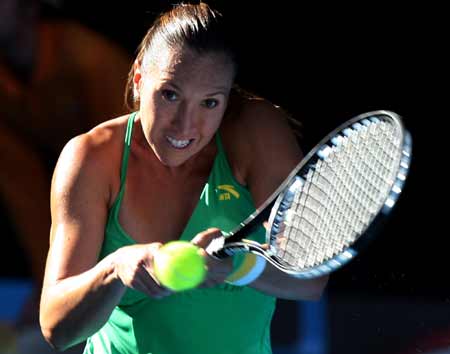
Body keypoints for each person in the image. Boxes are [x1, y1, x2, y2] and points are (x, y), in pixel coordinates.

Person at [39, 3, 329, 354]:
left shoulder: (257, 133)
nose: (185, 125)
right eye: (170, 94)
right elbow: (56, 327)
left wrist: (238, 263)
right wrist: (116, 269)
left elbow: (312, 280)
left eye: (209, 103)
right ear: (139, 79)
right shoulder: (92, 158)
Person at [1, 0, 131, 352]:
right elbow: (22, 192)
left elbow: (139, 162)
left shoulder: (89, 60)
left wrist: (109, 278)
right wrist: (48, 286)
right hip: (76, 220)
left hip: (128, 222)